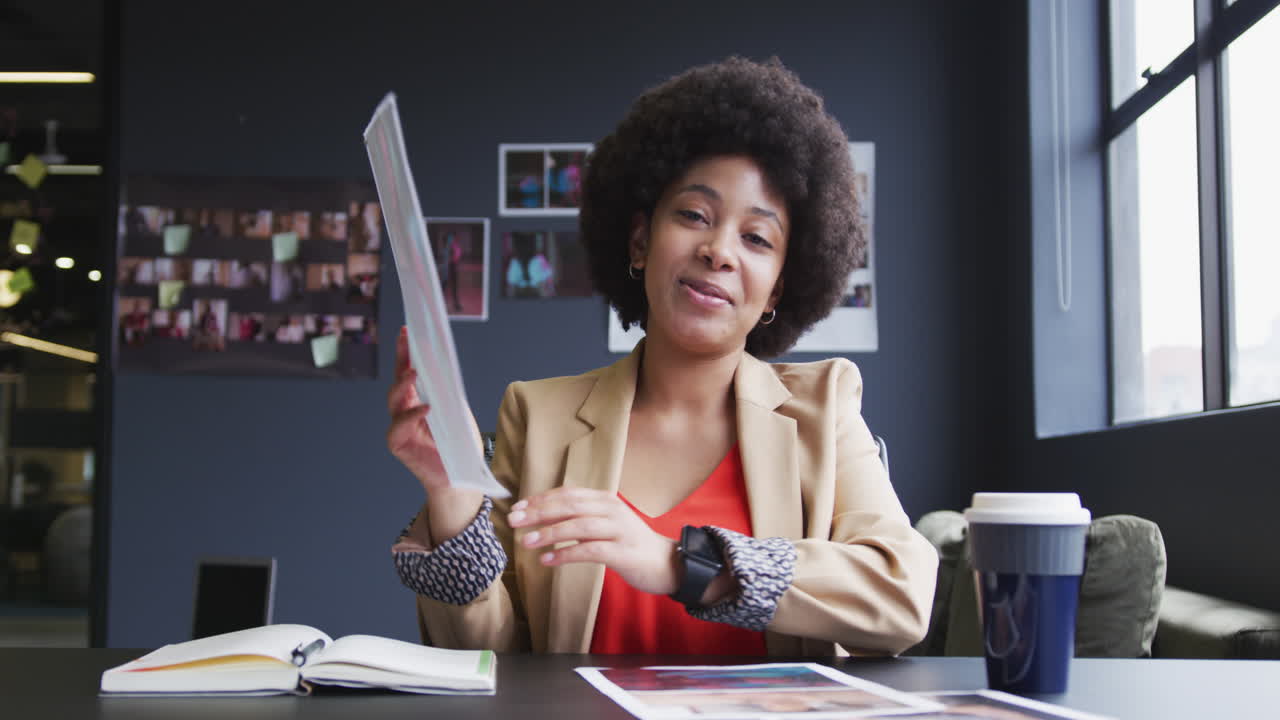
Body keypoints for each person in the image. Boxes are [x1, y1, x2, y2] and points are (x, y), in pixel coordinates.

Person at [386, 57, 937, 656]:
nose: (718, 250)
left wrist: (682, 564)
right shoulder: (536, 414)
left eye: (756, 238)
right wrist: (452, 499)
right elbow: (490, 657)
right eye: (694, 215)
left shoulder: (823, 408)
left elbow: (903, 595)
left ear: (778, 286)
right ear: (641, 241)